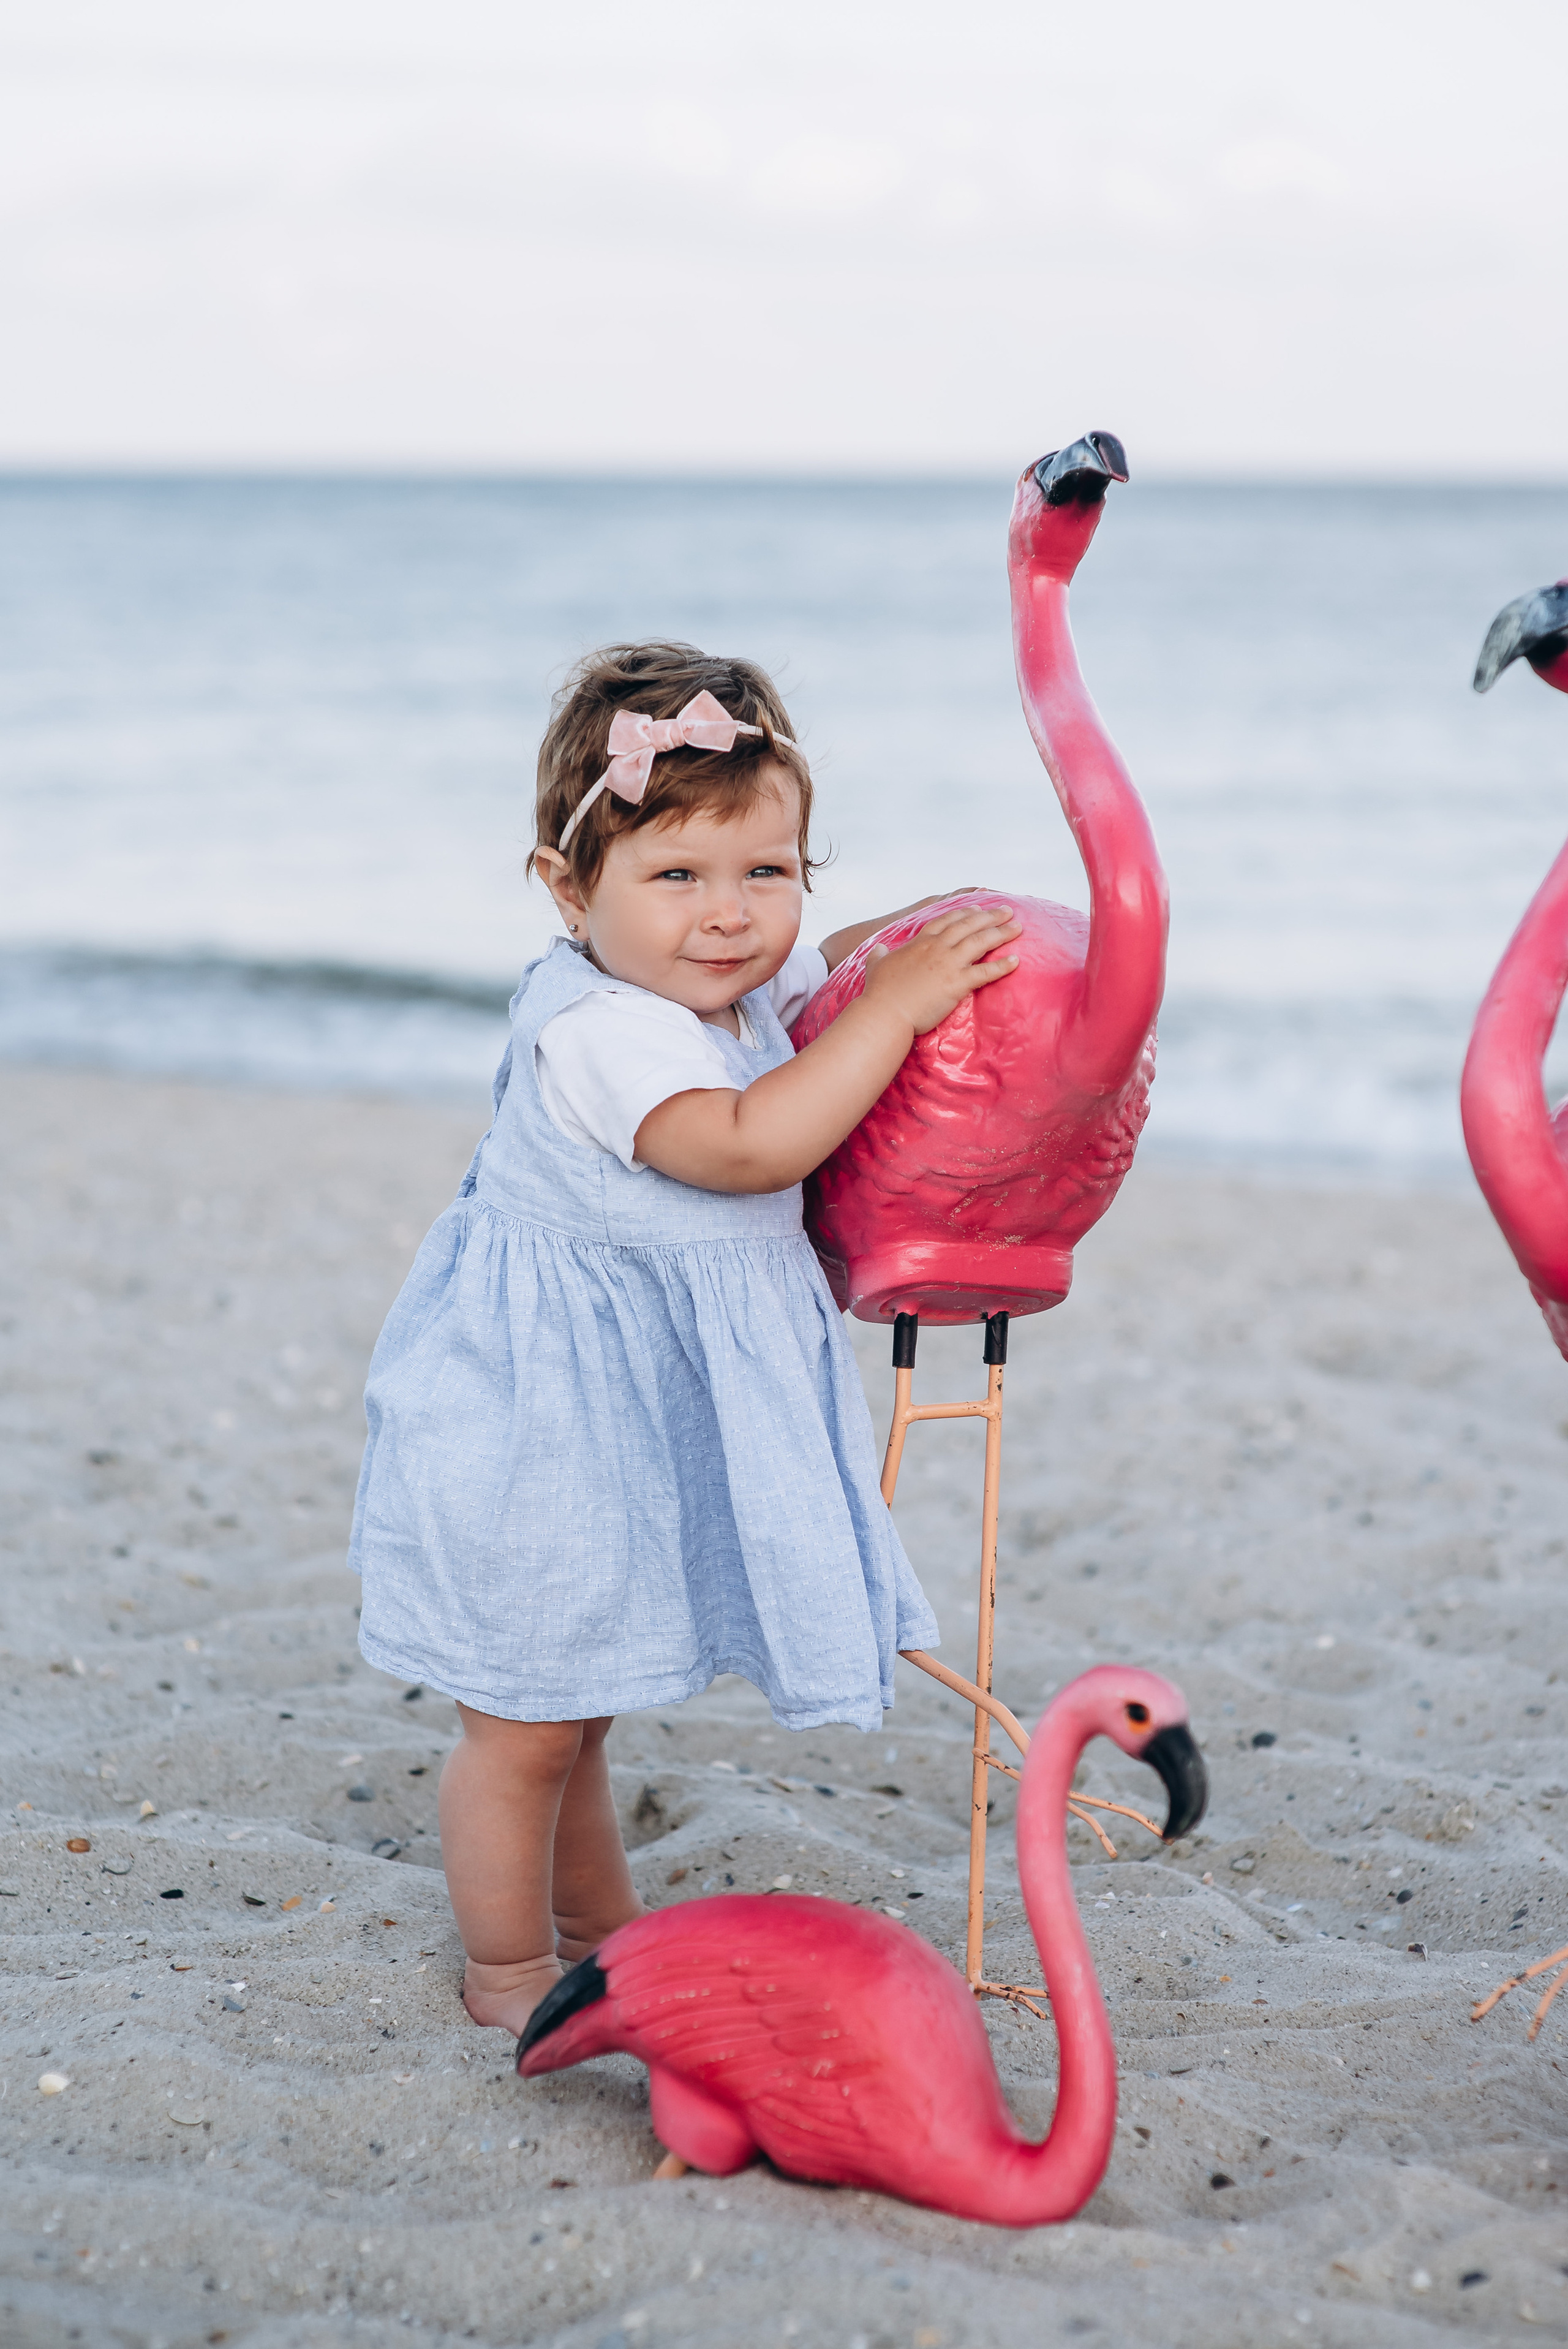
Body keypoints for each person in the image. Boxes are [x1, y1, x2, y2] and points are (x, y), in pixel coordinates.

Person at [349, 640, 1021, 2033]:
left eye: (765, 873)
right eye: (676, 876)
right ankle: (507, 1971)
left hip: (619, 1423)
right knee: (524, 1724)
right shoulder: (607, 1033)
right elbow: (747, 1144)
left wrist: (917, 941)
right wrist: (895, 1011)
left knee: (577, 1708)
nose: (728, 918)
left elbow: (822, 973)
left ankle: (595, 1928)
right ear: (565, 888)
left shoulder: (717, 996)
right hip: (540, 1428)